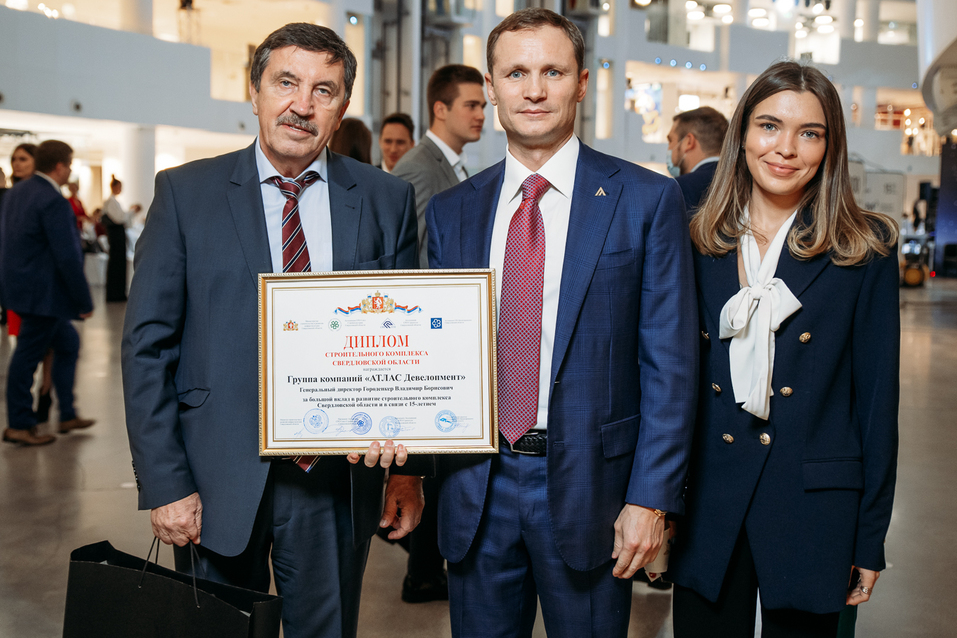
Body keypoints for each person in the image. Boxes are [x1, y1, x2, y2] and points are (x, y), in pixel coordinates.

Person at [121, 23, 425, 638]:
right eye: (286, 82)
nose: (302, 105)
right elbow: (146, 347)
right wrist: (165, 481)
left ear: (342, 106)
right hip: (214, 477)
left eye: (323, 90)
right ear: (255, 90)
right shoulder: (186, 193)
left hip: (335, 482)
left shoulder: (384, 198)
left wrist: (407, 469)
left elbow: (409, 347)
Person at [426, 9, 697, 637]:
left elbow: (671, 364)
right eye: (515, 73)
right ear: (491, 87)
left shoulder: (645, 200)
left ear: (581, 83)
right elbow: (435, 353)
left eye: (552, 71)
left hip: (593, 490)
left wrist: (651, 497)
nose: (534, 90)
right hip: (477, 486)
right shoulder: (452, 211)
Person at [668, 60, 900, 637]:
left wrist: (870, 536)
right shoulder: (693, 236)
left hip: (813, 504)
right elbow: (666, 383)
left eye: (809, 133)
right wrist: (656, 503)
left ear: (830, 146)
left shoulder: (863, 247)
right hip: (708, 500)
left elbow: (877, 405)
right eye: (769, 126)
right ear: (742, 134)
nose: (786, 149)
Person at [0, 140, 95, 446]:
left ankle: (67, 413)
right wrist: (83, 300)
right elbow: (67, 255)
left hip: (22, 288)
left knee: (68, 343)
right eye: (69, 165)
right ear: (60, 166)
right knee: (27, 356)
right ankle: (19, 424)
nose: (69, 171)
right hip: (43, 293)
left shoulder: (16, 192)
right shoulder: (52, 200)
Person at [393, 64, 486, 268]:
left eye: (482, 106)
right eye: (471, 106)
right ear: (441, 110)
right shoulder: (417, 168)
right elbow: (404, 257)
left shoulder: (455, 163)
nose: (481, 115)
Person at [666, 105, 728, 212]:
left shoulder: (679, 189)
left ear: (689, 142)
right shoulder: (742, 183)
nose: (669, 148)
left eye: (671, 140)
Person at [102, 175, 141, 302]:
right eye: (119, 187)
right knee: (116, 263)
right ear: (114, 187)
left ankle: (119, 292)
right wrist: (131, 211)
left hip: (118, 234)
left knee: (119, 263)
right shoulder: (110, 202)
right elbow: (119, 218)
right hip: (115, 235)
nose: (120, 189)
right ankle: (115, 293)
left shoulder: (115, 202)